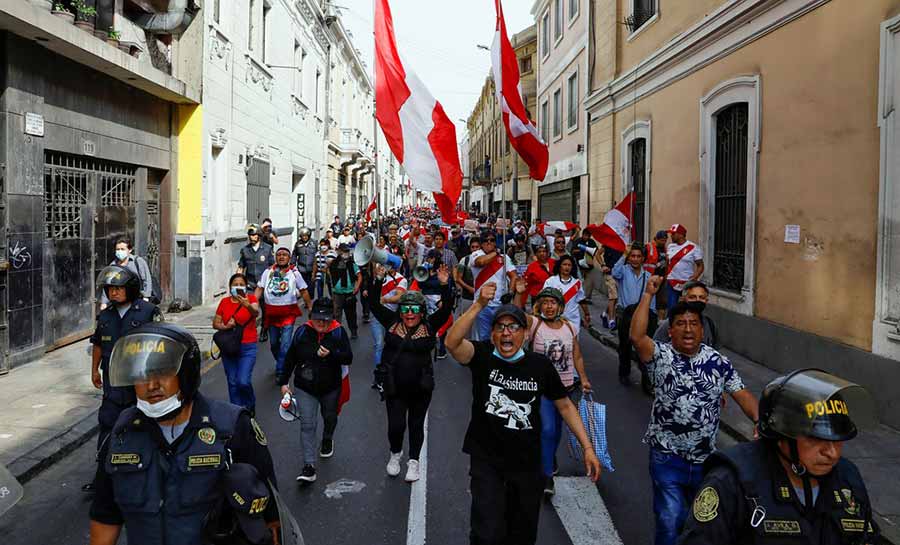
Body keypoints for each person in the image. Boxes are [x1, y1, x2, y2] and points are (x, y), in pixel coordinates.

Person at [89, 323, 279, 545]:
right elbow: (105, 519)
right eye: (142, 375)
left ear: (186, 374)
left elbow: (270, 518)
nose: (151, 385)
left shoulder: (233, 427)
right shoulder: (121, 436)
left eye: (163, 373)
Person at [444, 283, 601, 545]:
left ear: (526, 334)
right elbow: (451, 342)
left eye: (514, 327)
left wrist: (587, 447)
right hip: (487, 461)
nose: (507, 333)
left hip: (528, 464)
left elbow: (564, 405)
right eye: (500, 327)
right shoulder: (482, 355)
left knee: (522, 534)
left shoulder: (539, 365)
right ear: (492, 334)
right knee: (486, 532)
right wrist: (479, 304)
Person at [679, 369, 882, 545]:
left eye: (837, 440)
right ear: (781, 437)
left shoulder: (848, 478)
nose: (832, 453)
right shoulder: (730, 483)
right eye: (814, 439)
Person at [630, 276, 759, 545]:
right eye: (681, 324)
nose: (688, 329)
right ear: (671, 331)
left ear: (702, 330)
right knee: (669, 520)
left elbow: (742, 393)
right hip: (667, 458)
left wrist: (761, 421)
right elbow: (637, 336)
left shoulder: (718, 361)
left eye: (693, 324)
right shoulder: (660, 356)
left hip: (705, 461)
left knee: (701, 524)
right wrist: (647, 295)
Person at [368, 266, 453, 483]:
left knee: (416, 424)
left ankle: (413, 460)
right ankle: (395, 454)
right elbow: (373, 304)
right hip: (394, 386)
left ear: (422, 311)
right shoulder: (391, 322)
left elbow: (447, 309)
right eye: (405, 309)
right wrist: (377, 279)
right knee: (395, 425)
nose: (410, 313)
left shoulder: (430, 325)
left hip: (421, 386)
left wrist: (445, 285)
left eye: (415, 309)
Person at [84, 266, 162, 493]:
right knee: (108, 427)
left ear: (130, 289)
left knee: (144, 428)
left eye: (118, 288)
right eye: (109, 289)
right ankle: (103, 479)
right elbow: (98, 343)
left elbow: (160, 344)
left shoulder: (147, 311)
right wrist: (94, 371)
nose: (113, 293)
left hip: (141, 385)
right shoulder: (106, 315)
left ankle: (149, 473)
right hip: (113, 386)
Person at [513, 283, 592, 496]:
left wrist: (583, 378)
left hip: (566, 389)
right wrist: (520, 293)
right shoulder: (535, 324)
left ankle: (549, 457)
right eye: (545, 302)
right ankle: (547, 476)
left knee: (556, 431)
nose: (549, 306)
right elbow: (516, 316)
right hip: (542, 390)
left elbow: (577, 355)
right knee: (547, 429)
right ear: (540, 305)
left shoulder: (569, 328)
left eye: (553, 302)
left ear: (560, 306)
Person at [278, 298, 353, 483]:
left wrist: (332, 354)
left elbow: (348, 358)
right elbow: (291, 357)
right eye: (318, 318)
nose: (321, 323)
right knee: (307, 425)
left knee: (330, 417)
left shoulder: (338, 333)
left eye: (325, 319)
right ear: (312, 317)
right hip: (305, 387)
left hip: (331, 388)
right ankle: (309, 466)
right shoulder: (302, 332)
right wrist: (284, 381)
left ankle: (327, 438)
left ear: (331, 318)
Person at [255, 248, 312, 379]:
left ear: (289, 258)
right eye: (279, 255)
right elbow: (259, 288)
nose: (281, 257)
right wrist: (253, 303)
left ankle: (281, 371)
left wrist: (310, 307)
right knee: (274, 344)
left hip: (288, 314)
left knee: (285, 345)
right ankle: (283, 361)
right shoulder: (268, 272)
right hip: (272, 314)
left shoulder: (294, 273)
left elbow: (303, 290)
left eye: (284, 255)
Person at [612, 242, 657, 388]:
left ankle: (646, 380)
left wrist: (653, 315)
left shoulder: (649, 276)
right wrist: (624, 254)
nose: (635, 259)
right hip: (626, 314)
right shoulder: (623, 271)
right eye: (633, 256)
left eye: (638, 256)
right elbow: (614, 272)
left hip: (643, 317)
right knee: (624, 347)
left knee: (644, 349)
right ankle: (624, 374)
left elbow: (651, 298)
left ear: (643, 259)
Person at [214, 274, 260, 412]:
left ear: (246, 287)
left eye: (241, 284)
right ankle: (237, 412)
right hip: (229, 347)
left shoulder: (251, 299)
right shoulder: (224, 302)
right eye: (235, 284)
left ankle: (250, 404)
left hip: (248, 346)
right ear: (230, 287)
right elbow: (215, 324)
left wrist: (246, 305)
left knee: (243, 381)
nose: (238, 286)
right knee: (233, 382)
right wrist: (226, 326)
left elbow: (255, 312)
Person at [468, 232, 517, 341]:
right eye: (486, 240)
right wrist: (496, 253)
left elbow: (514, 276)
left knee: (501, 336)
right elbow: (481, 262)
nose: (489, 242)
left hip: (500, 305)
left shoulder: (504, 257)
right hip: (482, 305)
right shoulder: (476, 254)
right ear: (481, 243)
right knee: (484, 338)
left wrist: (510, 293)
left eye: (492, 240)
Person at [367, 263, 408, 385]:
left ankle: (394, 373)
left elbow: (399, 297)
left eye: (391, 265)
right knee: (379, 344)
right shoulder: (378, 277)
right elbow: (372, 295)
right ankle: (380, 375)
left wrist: (384, 300)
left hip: (392, 317)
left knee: (393, 344)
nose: (388, 267)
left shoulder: (401, 280)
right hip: (377, 316)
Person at [654, 280, 719, 349]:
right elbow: (655, 349)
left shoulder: (710, 324)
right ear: (683, 299)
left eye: (701, 297)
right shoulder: (670, 323)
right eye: (692, 297)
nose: (697, 300)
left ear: (706, 301)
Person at [237, 224, 274, 342]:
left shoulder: (267, 249)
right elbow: (241, 267)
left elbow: (273, 266)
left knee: (265, 310)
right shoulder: (245, 250)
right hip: (250, 284)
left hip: (264, 285)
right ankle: (248, 330)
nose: (251, 237)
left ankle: (264, 329)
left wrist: (272, 281)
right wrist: (237, 282)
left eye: (254, 235)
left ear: (259, 235)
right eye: (250, 235)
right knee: (248, 308)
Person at [99, 239, 154, 309]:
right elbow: (108, 284)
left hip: (137, 300)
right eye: (118, 249)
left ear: (130, 250)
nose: (120, 251)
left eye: (122, 249)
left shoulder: (138, 262)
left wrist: (146, 297)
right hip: (119, 301)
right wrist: (104, 302)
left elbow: (147, 280)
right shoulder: (113, 265)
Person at [542, 255, 591, 333]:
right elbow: (543, 300)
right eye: (564, 264)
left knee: (573, 343)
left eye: (569, 265)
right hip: (554, 319)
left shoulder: (577, 283)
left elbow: (581, 300)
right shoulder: (550, 281)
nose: (567, 267)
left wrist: (587, 314)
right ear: (559, 266)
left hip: (572, 320)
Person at [666, 223, 704, 311]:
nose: (671, 236)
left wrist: (694, 278)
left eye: (673, 234)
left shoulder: (693, 247)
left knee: (689, 308)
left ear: (680, 234)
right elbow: (668, 263)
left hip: (686, 283)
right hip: (672, 282)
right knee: (672, 309)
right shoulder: (670, 246)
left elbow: (700, 266)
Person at [329, 243, 362, 340]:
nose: (346, 253)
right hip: (337, 293)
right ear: (339, 252)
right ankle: (336, 332)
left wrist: (357, 287)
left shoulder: (352, 264)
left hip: (349, 293)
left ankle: (353, 331)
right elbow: (328, 272)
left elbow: (359, 276)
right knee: (336, 314)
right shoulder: (334, 263)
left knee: (351, 314)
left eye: (347, 251)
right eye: (344, 251)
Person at [570, 227, 600, 303]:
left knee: (589, 281)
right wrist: (581, 249)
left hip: (589, 266)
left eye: (588, 236)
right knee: (580, 281)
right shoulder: (578, 241)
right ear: (583, 234)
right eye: (585, 235)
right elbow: (572, 251)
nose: (586, 237)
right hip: (579, 265)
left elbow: (596, 251)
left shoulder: (591, 242)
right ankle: (579, 296)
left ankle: (587, 298)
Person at [645, 230, 670, 320]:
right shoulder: (648, 247)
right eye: (662, 240)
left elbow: (666, 263)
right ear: (656, 239)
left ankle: (660, 323)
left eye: (665, 240)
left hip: (662, 280)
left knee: (662, 304)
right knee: (648, 302)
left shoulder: (665, 248)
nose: (664, 242)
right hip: (651, 279)